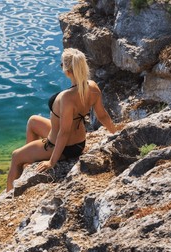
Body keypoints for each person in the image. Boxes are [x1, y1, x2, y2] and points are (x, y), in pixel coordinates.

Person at [6, 48, 117, 192]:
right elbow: (103, 116)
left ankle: (9, 196)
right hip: (79, 143)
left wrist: (51, 162)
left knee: (16, 156)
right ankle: (30, 161)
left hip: (63, 146)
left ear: (67, 71)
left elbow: (64, 132)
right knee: (33, 121)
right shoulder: (93, 87)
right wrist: (116, 133)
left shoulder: (67, 97)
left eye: (61, 65)